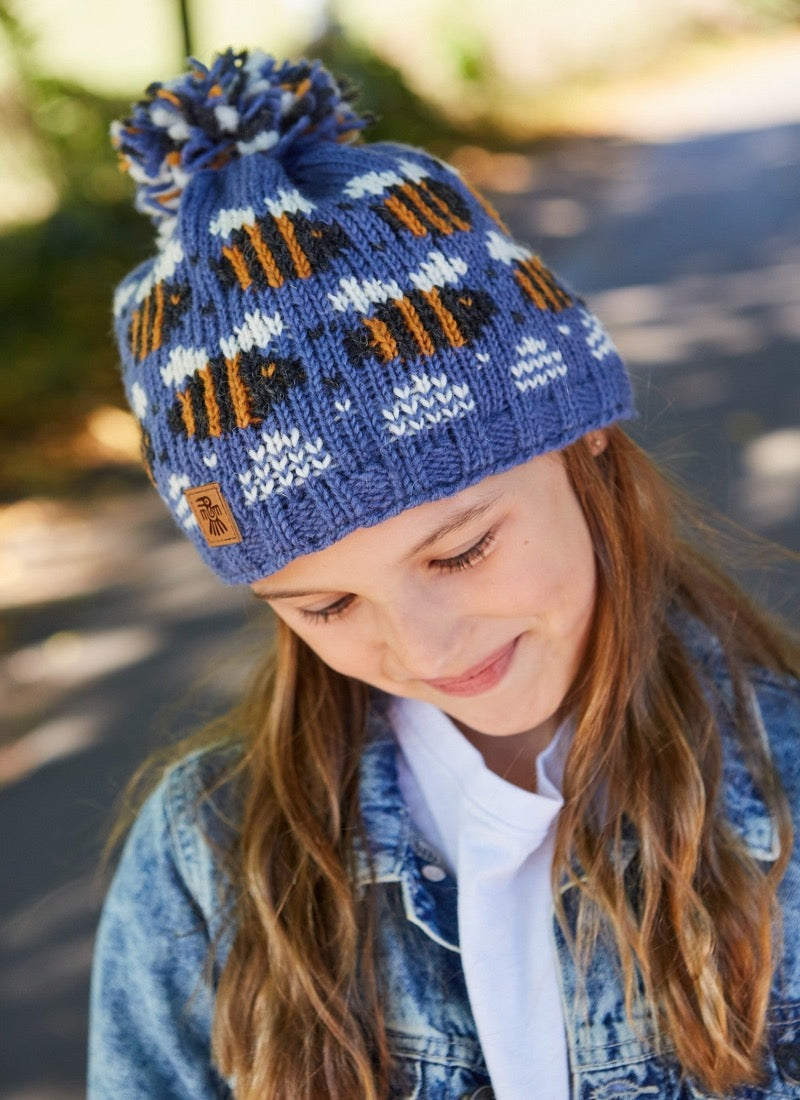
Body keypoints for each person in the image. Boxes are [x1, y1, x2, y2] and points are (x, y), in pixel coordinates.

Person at [88, 48, 800, 1100]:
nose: (421, 648)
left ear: (583, 438)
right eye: (324, 604)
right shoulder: (205, 862)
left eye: (459, 548)